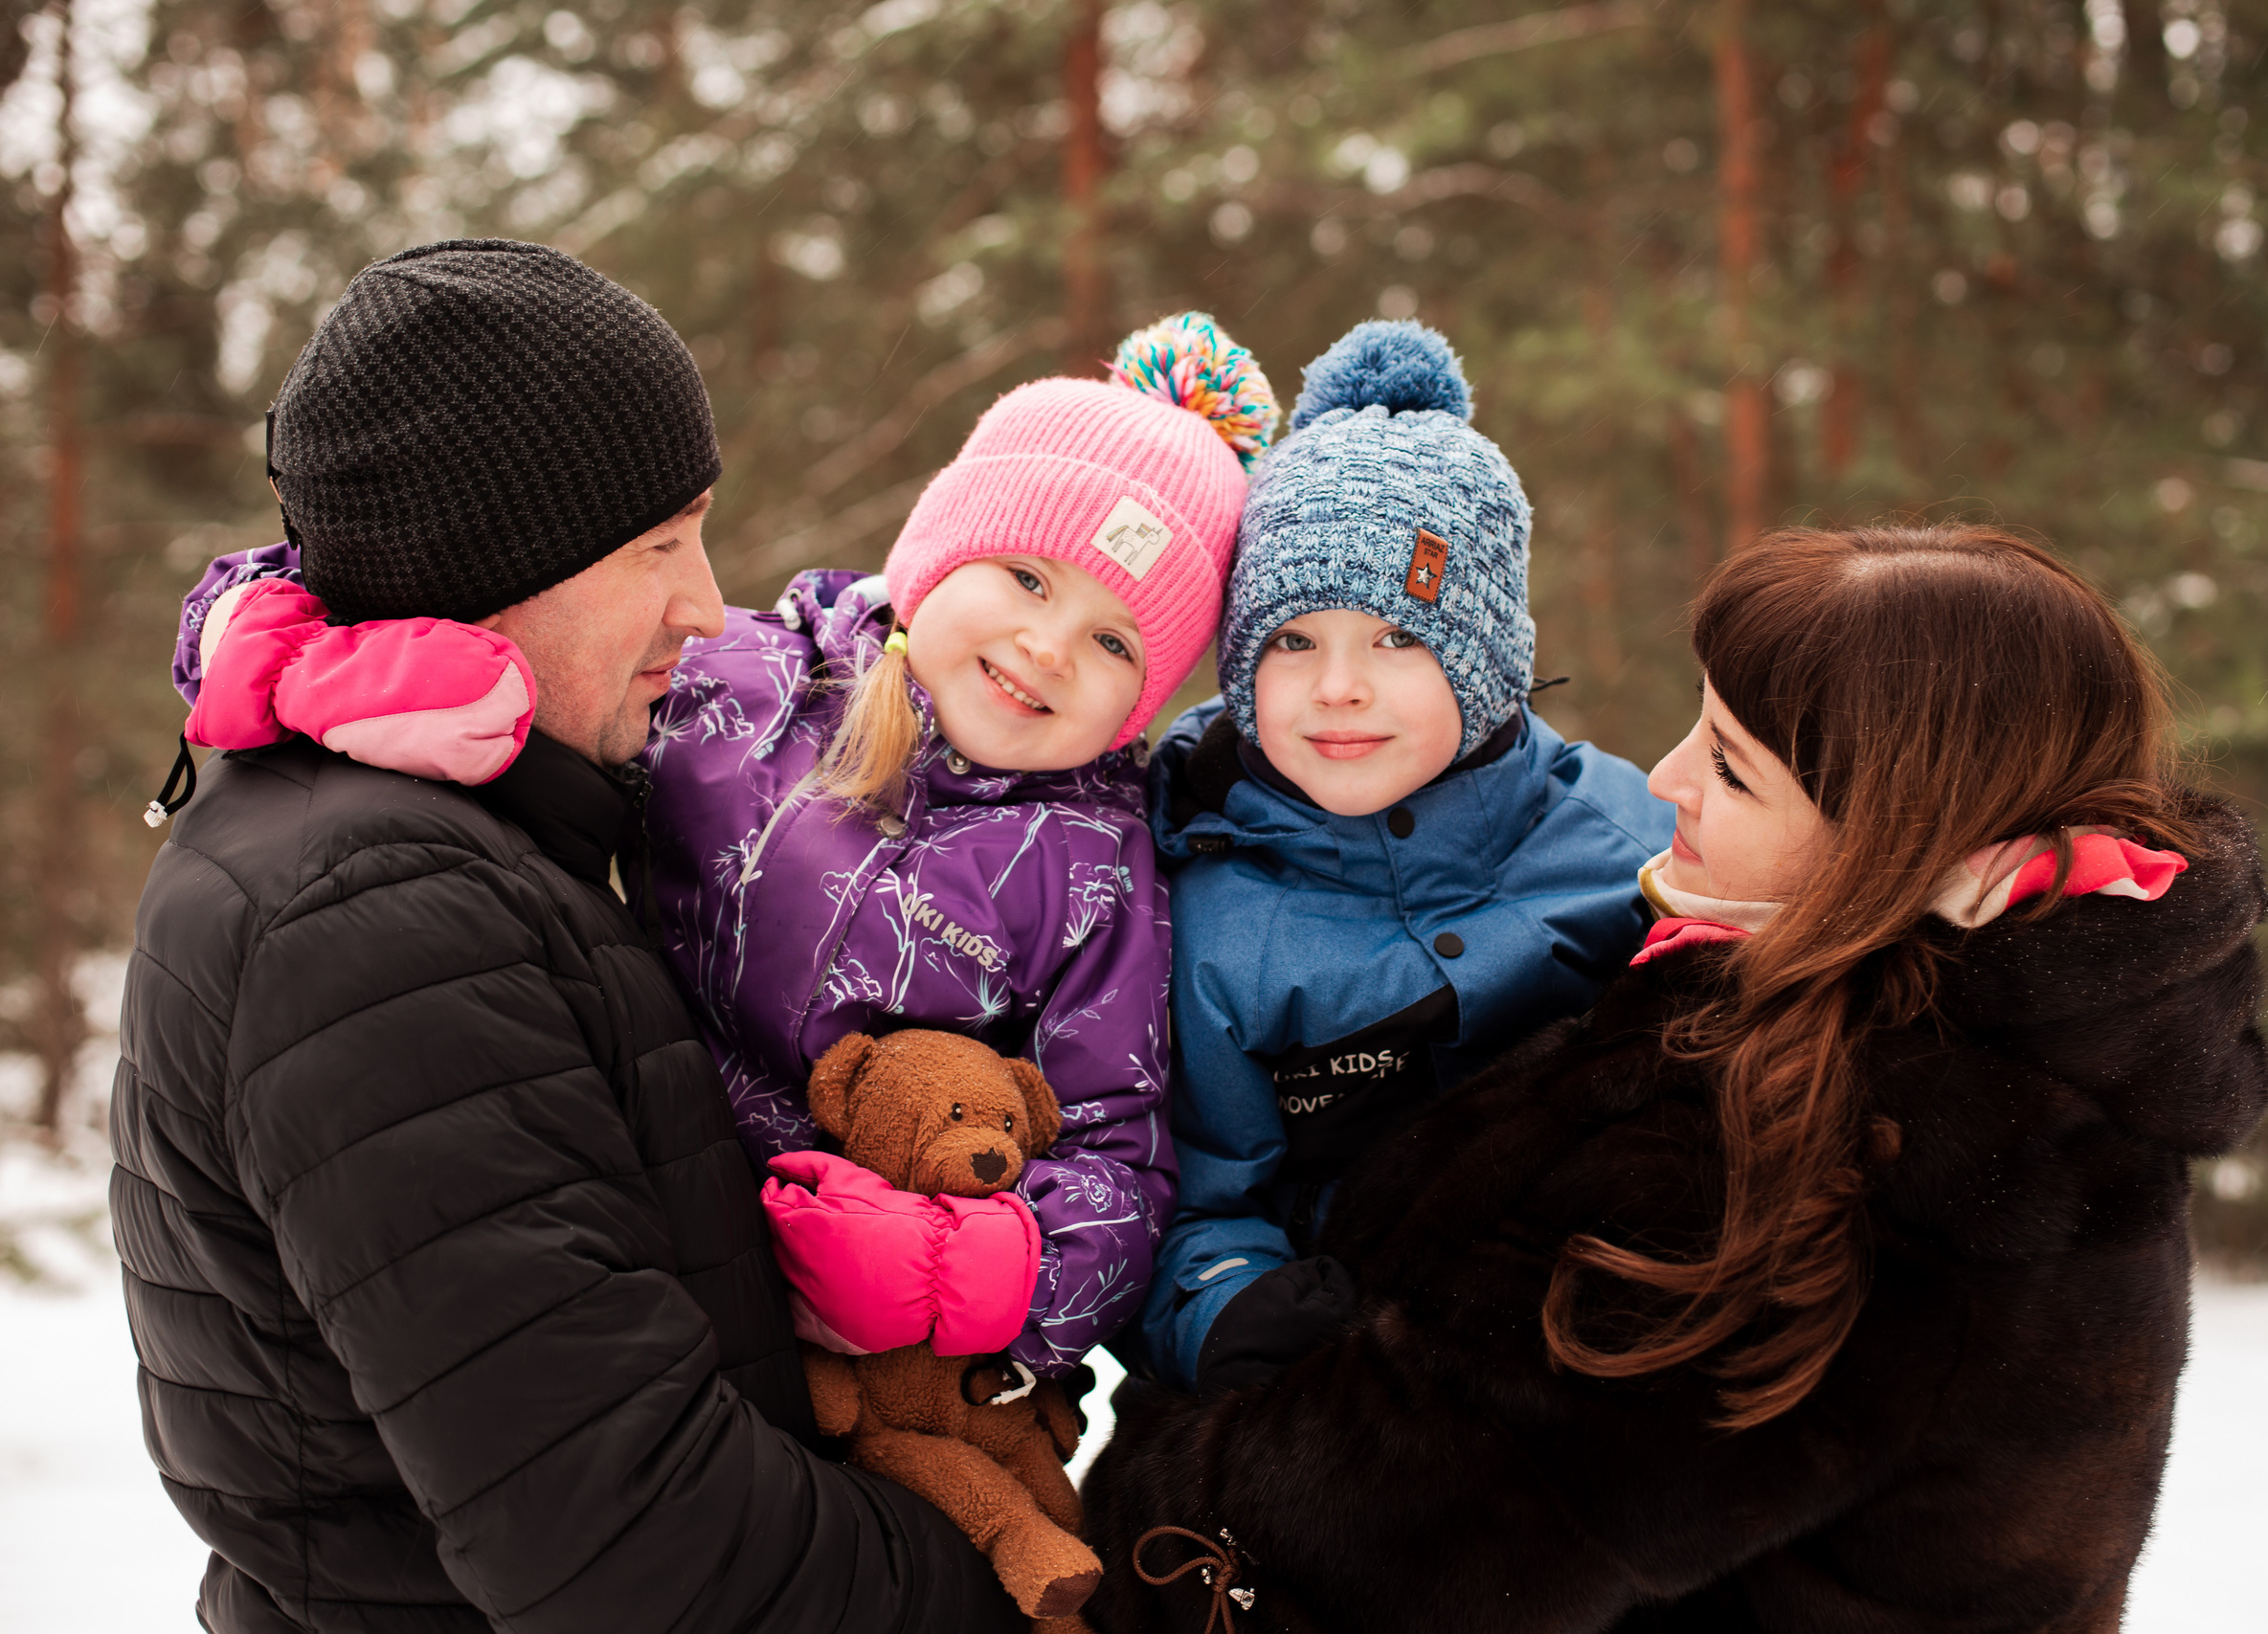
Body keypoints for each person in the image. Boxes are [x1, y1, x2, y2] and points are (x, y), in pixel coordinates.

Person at [1083, 524, 2268, 1634]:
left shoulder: (1795, 1138)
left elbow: (1363, 1542)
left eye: (1736, 771)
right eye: (1698, 729)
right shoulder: (2047, 1035)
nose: (1661, 778)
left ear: (1895, 835)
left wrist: (1159, 1468)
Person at [117, 239, 1020, 1632]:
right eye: (657, 545)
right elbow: (638, 1546)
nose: (705, 606)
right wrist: (974, 1580)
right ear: (489, 567)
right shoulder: (375, 919)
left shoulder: (425, 846)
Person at [176, 310, 1281, 1383]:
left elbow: (1118, 1153)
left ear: (1148, 697)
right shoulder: (740, 684)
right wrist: (330, 668)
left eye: (1113, 640)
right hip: (640, 1216)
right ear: (938, 558)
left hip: (885, 1339)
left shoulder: (1095, 866)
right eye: (1028, 580)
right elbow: (333, 575)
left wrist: (961, 1277)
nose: (1046, 648)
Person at [1134, 321, 1671, 1394]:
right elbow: (1194, 1202)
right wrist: (1226, 1304)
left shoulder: (1630, 836)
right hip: (1361, 1380)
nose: (1338, 687)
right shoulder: (1211, 920)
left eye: (1398, 639)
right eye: (1293, 642)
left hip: (1619, 1347)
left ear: (1485, 660)